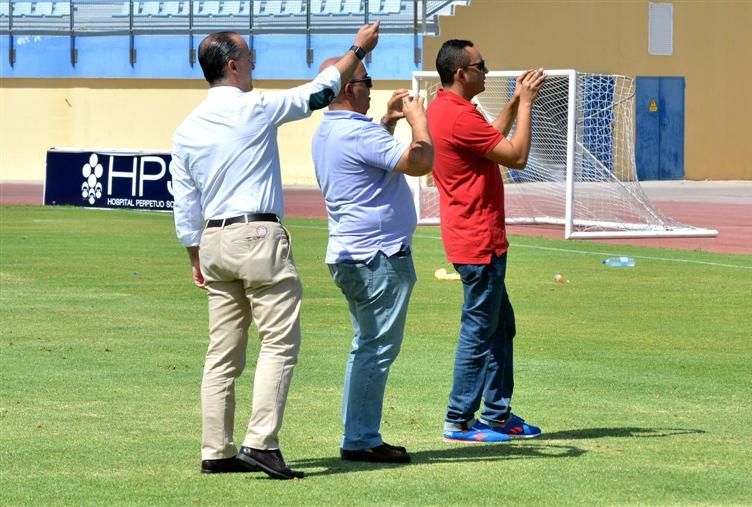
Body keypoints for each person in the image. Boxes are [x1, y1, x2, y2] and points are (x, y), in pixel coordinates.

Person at [169, 24, 380, 478]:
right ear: (232, 65)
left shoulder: (187, 128)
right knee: (279, 342)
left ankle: (216, 449)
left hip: (213, 240)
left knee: (221, 354)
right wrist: (358, 48)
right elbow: (322, 90)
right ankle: (261, 442)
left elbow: (184, 199)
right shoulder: (255, 106)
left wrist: (193, 254)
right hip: (257, 235)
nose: (254, 64)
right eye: (249, 57)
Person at [311, 58, 433, 463]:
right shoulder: (355, 131)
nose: (371, 88)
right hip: (377, 256)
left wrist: (389, 121)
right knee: (375, 349)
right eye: (367, 81)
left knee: (366, 346)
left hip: (353, 253)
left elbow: (371, 164)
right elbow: (419, 162)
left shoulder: (329, 129)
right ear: (349, 88)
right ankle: (361, 438)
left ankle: (359, 433)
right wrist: (418, 121)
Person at [425, 39, 546, 443]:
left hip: (475, 239)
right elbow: (514, 156)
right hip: (478, 241)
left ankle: (496, 414)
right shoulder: (458, 117)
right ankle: (459, 420)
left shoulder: (447, 108)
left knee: (500, 327)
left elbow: (487, 142)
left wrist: (512, 102)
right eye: (481, 66)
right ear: (461, 73)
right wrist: (527, 104)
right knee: (479, 331)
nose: (487, 71)